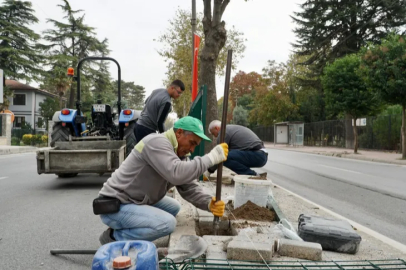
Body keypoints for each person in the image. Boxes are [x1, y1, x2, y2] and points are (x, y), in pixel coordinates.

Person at [98, 116, 228, 245]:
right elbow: (176, 173)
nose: (192, 149)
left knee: (173, 207)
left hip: (134, 199)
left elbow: (188, 187)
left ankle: (129, 225)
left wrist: (208, 203)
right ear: (179, 133)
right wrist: (211, 158)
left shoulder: (177, 153)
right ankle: (115, 237)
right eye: (192, 143)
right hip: (116, 205)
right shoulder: (157, 142)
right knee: (167, 223)